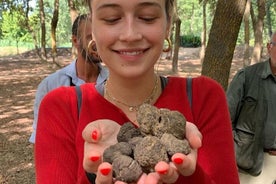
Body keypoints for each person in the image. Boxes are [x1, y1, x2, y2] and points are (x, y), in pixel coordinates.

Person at [35, 0, 239, 183]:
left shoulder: (205, 96)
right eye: (111, 18)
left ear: (167, 25)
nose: (130, 35)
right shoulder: (60, 107)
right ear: (93, 29)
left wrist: (188, 174)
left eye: (147, 17)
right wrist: (92, 175)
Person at [29, 14, 108, 143]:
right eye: (91, 37)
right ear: (75, 40)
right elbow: (40, 137)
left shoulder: (115, 82)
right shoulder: (51, 85)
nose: (98, 43)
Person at [227, 32, 276, 184]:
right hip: (251, 164)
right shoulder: (247, 77)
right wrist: (237, 151)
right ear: (269, 47)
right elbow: (224, 121)